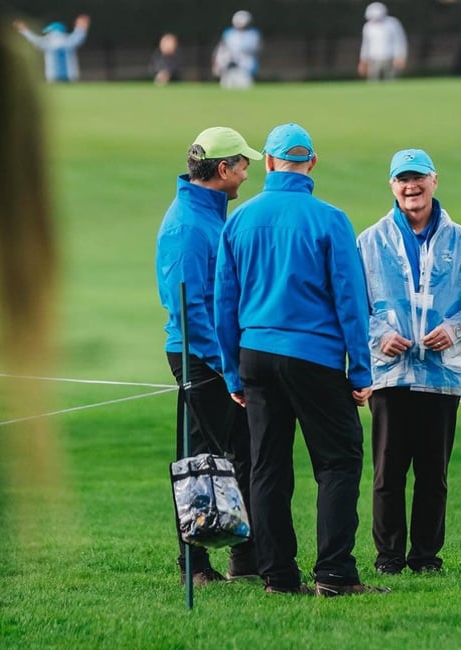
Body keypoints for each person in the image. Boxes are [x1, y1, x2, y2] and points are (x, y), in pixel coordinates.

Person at [214, 123, 388, 597]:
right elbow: (351, 302)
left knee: (268, 467)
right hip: (314, 355)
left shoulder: (239, 221)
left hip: (256, 356)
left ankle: (277, 576)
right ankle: (333, 573)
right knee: (337, 462)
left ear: (268, 163)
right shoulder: (330, 219)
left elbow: (222, 304)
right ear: (311, 164)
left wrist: (233, 371)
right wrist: (361, 371)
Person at [356, 149, 461, 576]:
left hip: (442, 376)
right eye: (402, 179)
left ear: (434, 181)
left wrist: (454, 330)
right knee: (388, 473)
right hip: (390, 375)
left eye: (418, 178)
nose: (410, 187)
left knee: (433, 473)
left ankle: (426, 557)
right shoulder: (370, 241)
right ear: (392, 186)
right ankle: (388, 558)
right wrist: (380, 336)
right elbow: (351, 304)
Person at [156, 126, 263, 585]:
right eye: (242, 166)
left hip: (223, 356)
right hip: (201, 357)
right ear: (223, 170)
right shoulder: (187, 225)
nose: (245, 174)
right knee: (201, 459)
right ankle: (195, 566)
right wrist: (228, 367)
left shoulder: (212, 215)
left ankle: (244, 559)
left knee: (245, 453)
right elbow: (190, 310)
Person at [14, 15, 90, 82]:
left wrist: (24, 30)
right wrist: (81, 27)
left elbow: (35, 40)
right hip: (69, 77)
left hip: (55, 77)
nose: (48, 35)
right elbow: (78, 37)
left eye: (49, 32)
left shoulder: (50, 42)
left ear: (53, 32)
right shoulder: (68, 41)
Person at [211, 10, 261, 89]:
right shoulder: (229, 33)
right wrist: (219, 64)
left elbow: (254, 49)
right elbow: (221, 50)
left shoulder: (253, 34)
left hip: (245, 68)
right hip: (229, 67)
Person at [358, 2, 407, 81]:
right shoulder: (367, 27)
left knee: (391, 80)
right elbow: (366, 45)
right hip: (373, 58)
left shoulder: (392, 23)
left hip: (390, 58)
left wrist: (400, 56)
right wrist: (363, 61)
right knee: (373, 81)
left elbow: (399, 41)